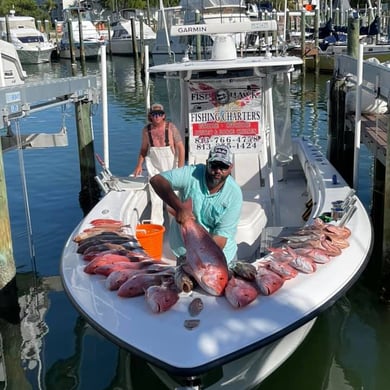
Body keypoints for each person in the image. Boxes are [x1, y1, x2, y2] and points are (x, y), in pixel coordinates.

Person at [150, 144, 242, 265]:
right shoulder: (192, 173)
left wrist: (201, 260)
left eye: (223, 167)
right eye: (214, 165)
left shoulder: (234, 194)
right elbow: (156, 180)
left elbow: (220, 238)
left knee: (222, 282)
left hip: (219, 254)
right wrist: (179, 208)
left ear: (231, 167)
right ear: (207, 163)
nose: (218, 171)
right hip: (184, 251)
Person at [132, 103, 185, 225]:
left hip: (171, 166)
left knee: (174, 196)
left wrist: (180, 169)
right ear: (150, 116)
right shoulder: (146, 130)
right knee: (155, 197)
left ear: (164, 115)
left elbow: (181, 148)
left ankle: (176, 225)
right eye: (154, 114)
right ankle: (156, 226)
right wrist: (139, 165)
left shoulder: (171, 128)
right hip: (153, 167)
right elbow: (144, 150)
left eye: (159, 114)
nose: (157, 117)